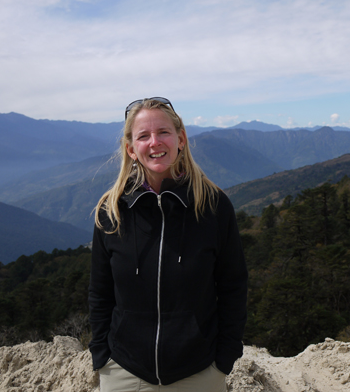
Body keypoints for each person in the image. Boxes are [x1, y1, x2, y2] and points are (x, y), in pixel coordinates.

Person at [89, 97, 247, 391]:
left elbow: (233, 286)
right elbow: (100, 292)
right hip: (125, 372)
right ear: (131, 149)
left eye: (163, 132)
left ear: (181, 139)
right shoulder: (111, 211)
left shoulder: (213, 207)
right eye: (143, 136)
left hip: (198, 372)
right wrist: (102, 357)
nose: (154, 142)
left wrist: (223, 360)